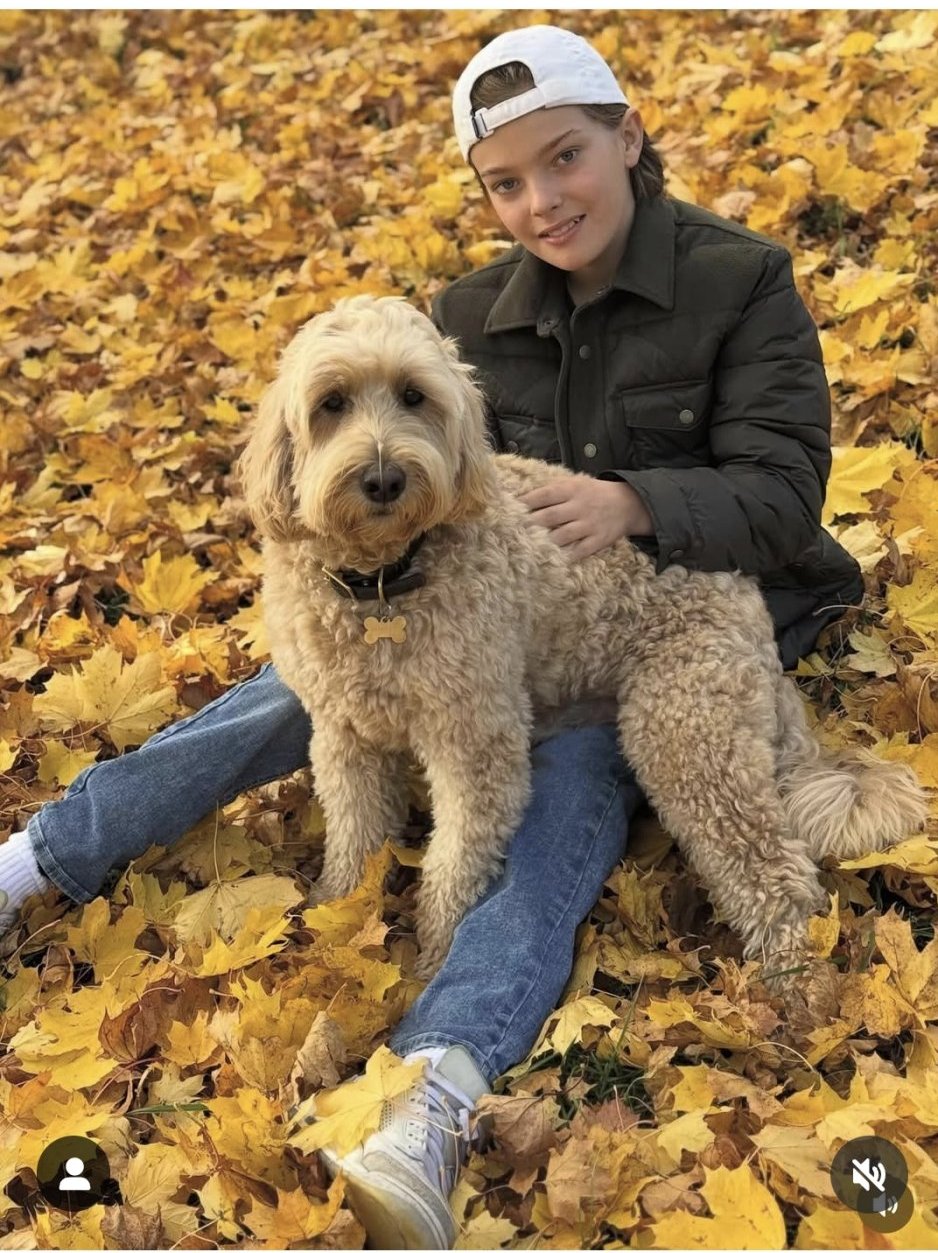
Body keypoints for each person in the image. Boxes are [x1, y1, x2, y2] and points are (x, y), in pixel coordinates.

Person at [0, 23, 863, 1251]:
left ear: (626, 137)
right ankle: (38, 860)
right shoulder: (460, 315)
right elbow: (405, 500)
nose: (540, 201)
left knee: (558, 789)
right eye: (505, 182)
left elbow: (783, 494)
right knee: (289, 694)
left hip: (684, 609)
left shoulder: (742, 278)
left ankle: (438, 1077)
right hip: (443, 595)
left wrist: (634, 501)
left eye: (563, 159)